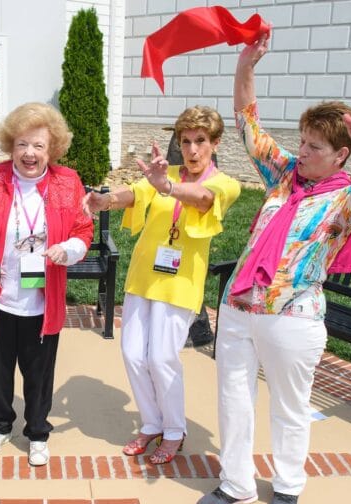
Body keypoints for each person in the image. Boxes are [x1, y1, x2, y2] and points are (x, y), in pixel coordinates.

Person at [196, 32, 351, 504]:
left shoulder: (346, 198)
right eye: (301, 140)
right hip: (239, 308)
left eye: (314, 146)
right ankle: (235, 483)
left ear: (340, 154)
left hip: (292, 316)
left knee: (288, 405)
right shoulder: (284, 176)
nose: (301, 151)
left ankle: (287, 484)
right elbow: (247, 124)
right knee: (233, 397)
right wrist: (245, 66)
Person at [84, 106, 240, 465]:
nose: (193, 149)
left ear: (214, 143)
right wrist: (105, 200)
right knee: (133, 353)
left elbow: (203, 200)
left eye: (201, 141)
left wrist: (168, 187)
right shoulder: (162, 173)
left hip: (181, 283)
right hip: (144, 276)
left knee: (162, 357)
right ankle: (152, 422)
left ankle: (174, 430)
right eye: (186, 141)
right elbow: (134, 194)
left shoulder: (224, 183)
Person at [0, 102, 95, 467]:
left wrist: (68, 250)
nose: (29, 154)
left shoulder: (68, 183)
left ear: (52, 148)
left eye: (38, 145)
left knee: (39, 372)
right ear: (10, 146)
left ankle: (37, 432)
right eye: (22, 144)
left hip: (41, 300)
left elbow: (84, 229)